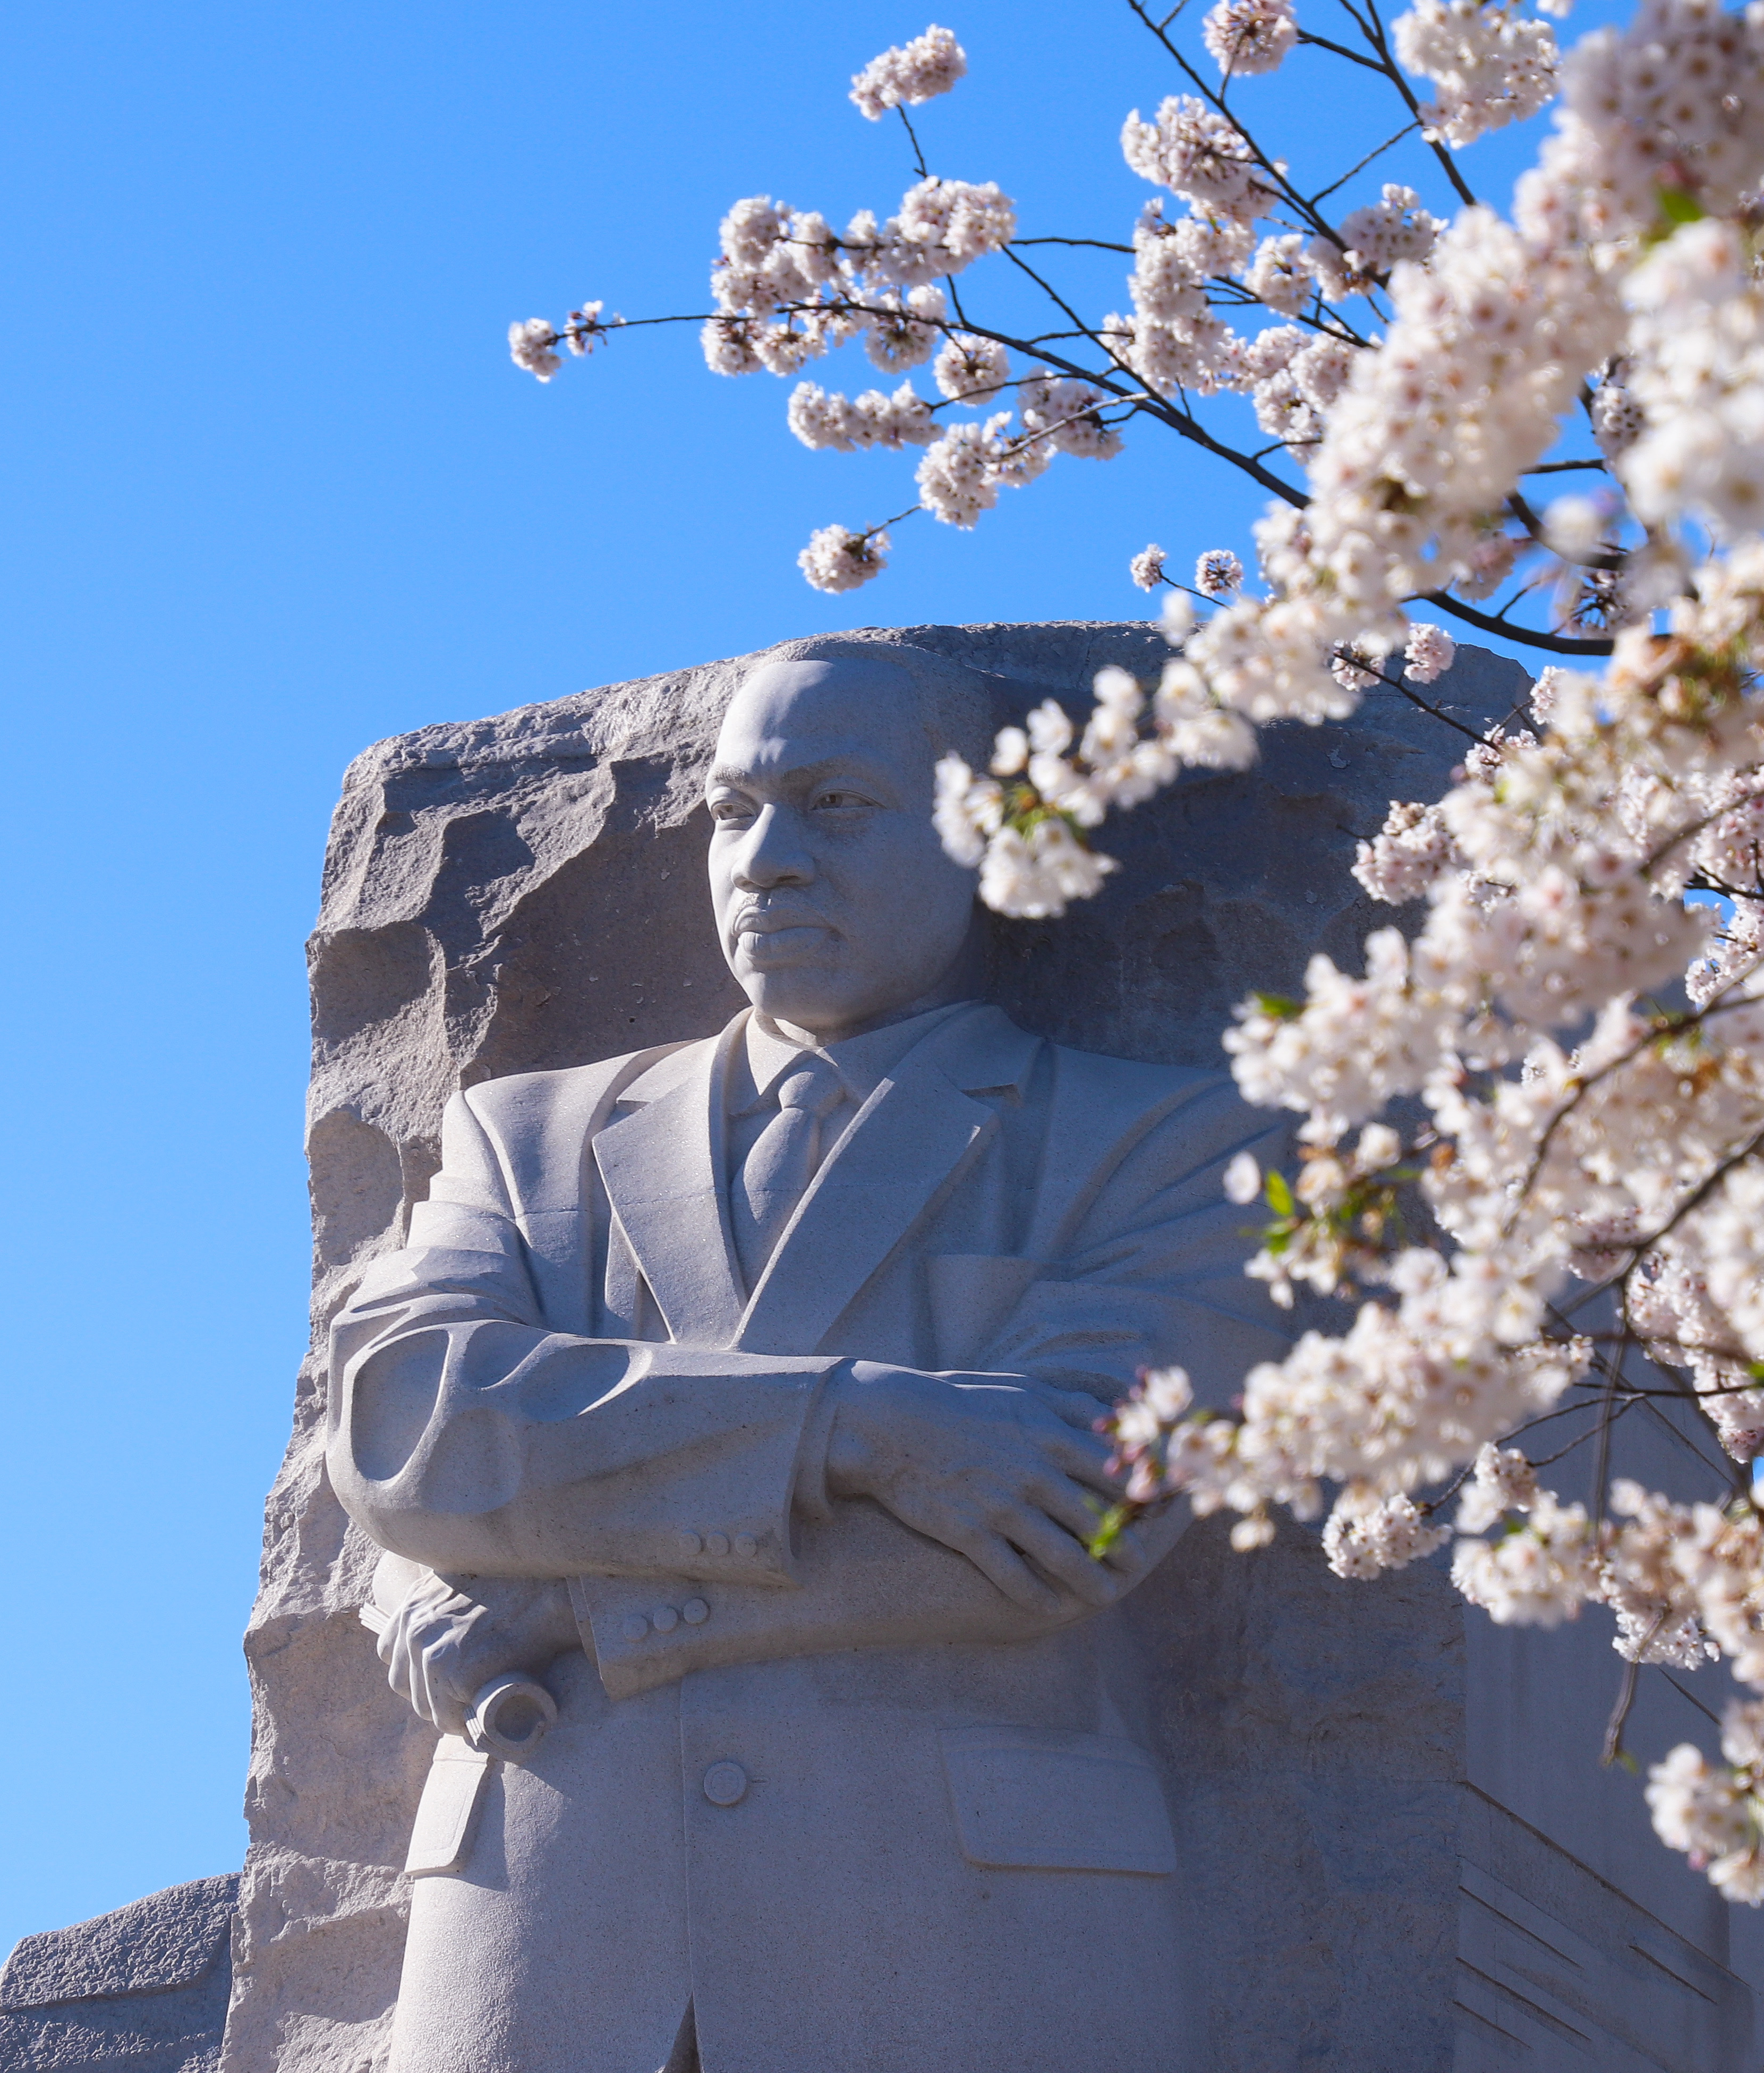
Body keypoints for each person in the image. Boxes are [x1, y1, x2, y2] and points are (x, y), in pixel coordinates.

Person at [326, 638, 1287, 2073]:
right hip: (551, 1927)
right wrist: (865, 1428)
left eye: (836, 804)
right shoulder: (525, 1141)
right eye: (734, 810)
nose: (766, 863)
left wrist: (576, 1602)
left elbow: (1069, 1518)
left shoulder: (1166, 1143)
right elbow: (407, 1430)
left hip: (971, 1942)